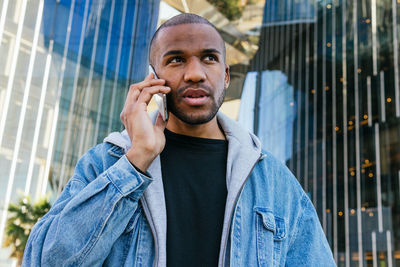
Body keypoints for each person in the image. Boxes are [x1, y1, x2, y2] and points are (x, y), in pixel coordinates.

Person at [23, 13, 336, 267]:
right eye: (176, 60)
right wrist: (135, 162)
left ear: (225, 75)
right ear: (152, 77)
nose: (195, 73)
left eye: (209, 58)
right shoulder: (106, 163)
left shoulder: (272, 180)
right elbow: (44, 261)